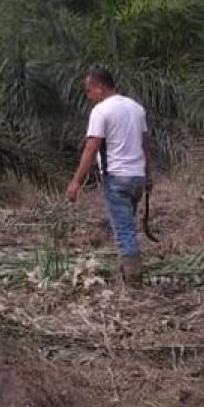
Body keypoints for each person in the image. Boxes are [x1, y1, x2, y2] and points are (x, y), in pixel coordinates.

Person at [65, 65, 154, 286]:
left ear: (100, 87)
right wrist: (148, 176)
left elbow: (91, 147)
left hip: (117, 179)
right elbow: (145, 146)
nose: (88, 96)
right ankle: (126, 271)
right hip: (137, 178)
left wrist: (76, 181)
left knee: (124, 232)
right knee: (128, 227)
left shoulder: (101, 111)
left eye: (89, 90)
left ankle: (134, 283)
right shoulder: (137, 108)